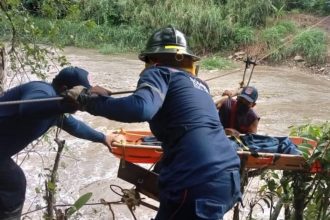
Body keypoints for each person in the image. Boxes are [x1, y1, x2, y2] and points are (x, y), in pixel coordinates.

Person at [65, 26, 241, 220]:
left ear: (152, 59)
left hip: (197, 180)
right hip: (229, 176)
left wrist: (88, 101)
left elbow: (140, 108)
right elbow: (188, 129)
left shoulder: (159, 72)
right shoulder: (199, 85)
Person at [0, 66, 121, 219]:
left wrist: (103, 138)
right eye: (80, 93)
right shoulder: (42, 90)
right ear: (65, 89)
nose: (81, 101)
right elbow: (28, 107)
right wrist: (65, 104)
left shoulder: (56, 113)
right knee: (14, 184)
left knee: (12, 184)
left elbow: (76, 127)